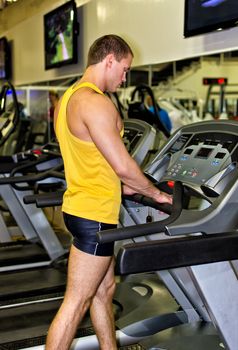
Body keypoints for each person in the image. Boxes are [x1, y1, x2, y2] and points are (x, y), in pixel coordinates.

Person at [46, 34, 172, 350]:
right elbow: (123, 166)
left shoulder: (67, 100)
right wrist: (155, 193)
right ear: (110, 60)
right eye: (125, 69)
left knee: (104, 292)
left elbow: (92, 160)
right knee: (75, 302)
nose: (125, 77)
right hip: (95, 216)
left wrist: (128, 187)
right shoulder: (95, 102)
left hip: (78, 206)